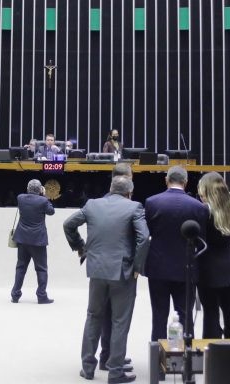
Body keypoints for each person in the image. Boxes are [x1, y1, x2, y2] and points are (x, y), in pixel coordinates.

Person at [63, 176, 149, 384]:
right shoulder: (134, 207)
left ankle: (88, 368)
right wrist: (137, 267)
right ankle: (115, 371)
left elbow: (68, 224)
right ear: (130, 192)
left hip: (96, 270)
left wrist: (81, 247)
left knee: (93, 317)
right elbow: (144, 238)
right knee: (120, 322)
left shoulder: (92, 204)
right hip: (123, 272)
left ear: (110, 189)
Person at [144, 165, 209, 343]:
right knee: (185, 315)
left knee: (159, 315)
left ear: (166, 180)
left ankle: (158, 359)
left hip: (158, 267)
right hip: (186, 268)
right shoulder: (199, 207)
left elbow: (146, 234)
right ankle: (186, 356)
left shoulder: (151, 202)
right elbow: (201, 240)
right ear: (186, 182)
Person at [97, 163, 134, 372]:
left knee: (107, 316)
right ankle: (111, 359)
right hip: (121, 268)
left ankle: (110, 357)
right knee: (117, 317)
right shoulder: (130, 205)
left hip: (102, 266)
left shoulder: (101, 201)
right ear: (126, 179)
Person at [196, 172, 230, 339]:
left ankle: (212, 351)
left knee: (211, 313)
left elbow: (200, 240)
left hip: (207, 268)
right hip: (228, 266)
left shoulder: (203, 211)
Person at [10, 179, 56, 304]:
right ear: (40, 189)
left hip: (22, 239)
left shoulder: (20, 198)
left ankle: (15, 295)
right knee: (41, 269)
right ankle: (41, 296)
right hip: (38, 240)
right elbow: (51, 211)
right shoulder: (43, 200)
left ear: (28, 188)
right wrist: (44, 195)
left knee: (21, 267)